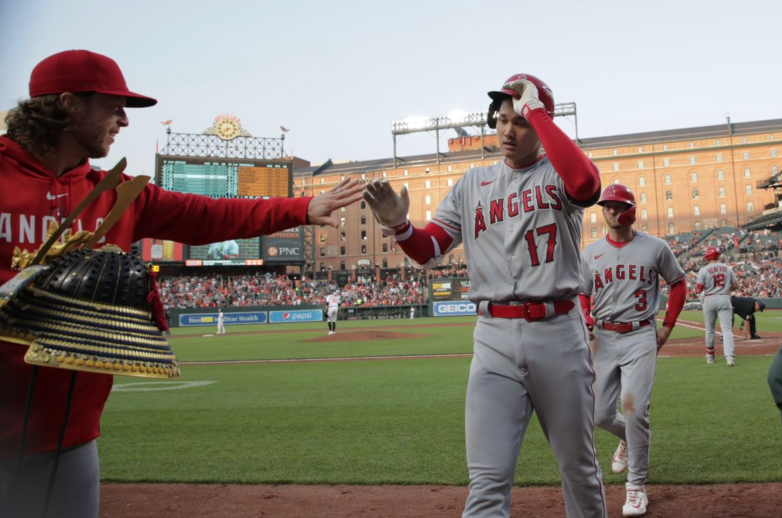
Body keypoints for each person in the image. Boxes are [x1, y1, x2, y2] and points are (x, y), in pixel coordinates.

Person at [0, 49, 364, 518]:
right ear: (69, 104)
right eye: (113, 106)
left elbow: (205, 214)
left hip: (70, 435)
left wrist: (300, 209)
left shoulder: (116, 192)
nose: (123, 120)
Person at [363, 73, 606, 518]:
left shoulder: (559, 172)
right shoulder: (471, 184)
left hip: (557, 334)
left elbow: (588, 186)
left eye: (521, 121)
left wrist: (538, 111)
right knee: (487, 482)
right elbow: (428, 250)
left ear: (541, 124)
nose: (508, 130)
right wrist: (400, 227)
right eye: (502, 120)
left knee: (579, 471)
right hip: (493, 338)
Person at [578, 184, 687, 517]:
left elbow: (678, 283)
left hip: (641, 336)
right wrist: (584, 315)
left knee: (636, 409)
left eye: (617, 205)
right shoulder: (591, 252)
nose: (611, 211)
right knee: (597, 415)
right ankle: (629, 438)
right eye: (607, 206)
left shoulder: (655, 247)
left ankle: (636, 487)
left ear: (631, 209)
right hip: (605, 339)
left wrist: (667, 325)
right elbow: (583, 292)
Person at [695, 246, 737, 366]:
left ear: (707, 257)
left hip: (709, 298)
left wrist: (706, 287)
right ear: (718, 256)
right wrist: (724, 288)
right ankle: (730, 358)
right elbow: (735, 285)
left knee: (710, 330)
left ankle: (710, 357)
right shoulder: (727, 269)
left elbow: (698, 289)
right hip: (724, 298)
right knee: (727, 330)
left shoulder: (703, 270)